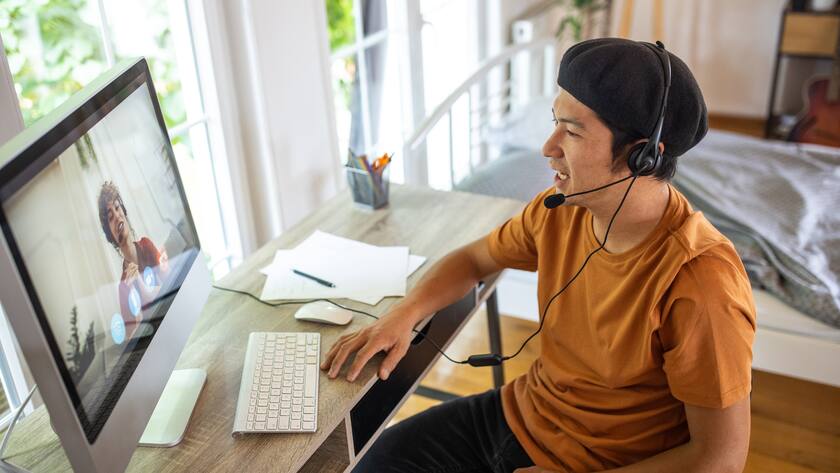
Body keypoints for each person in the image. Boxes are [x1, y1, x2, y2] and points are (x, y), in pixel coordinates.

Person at [322, 38, 755, 473]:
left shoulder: (701, 282)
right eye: (555, 123)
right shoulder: (560, 210)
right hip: (523, 414)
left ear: (642, 156)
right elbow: (474, 259)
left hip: (608, 464)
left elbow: (719, 460)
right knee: (371, 464)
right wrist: (405, 313)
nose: (548, 147)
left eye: (572, 131)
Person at [98, 181, 168, 339]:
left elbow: (169, 288)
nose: (116, 216)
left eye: (117, 208)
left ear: (124, 211)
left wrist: (142, 286)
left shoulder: (147, 246)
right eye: (110, 217)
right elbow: (133, 337)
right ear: (110, 235)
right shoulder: (123, 286)